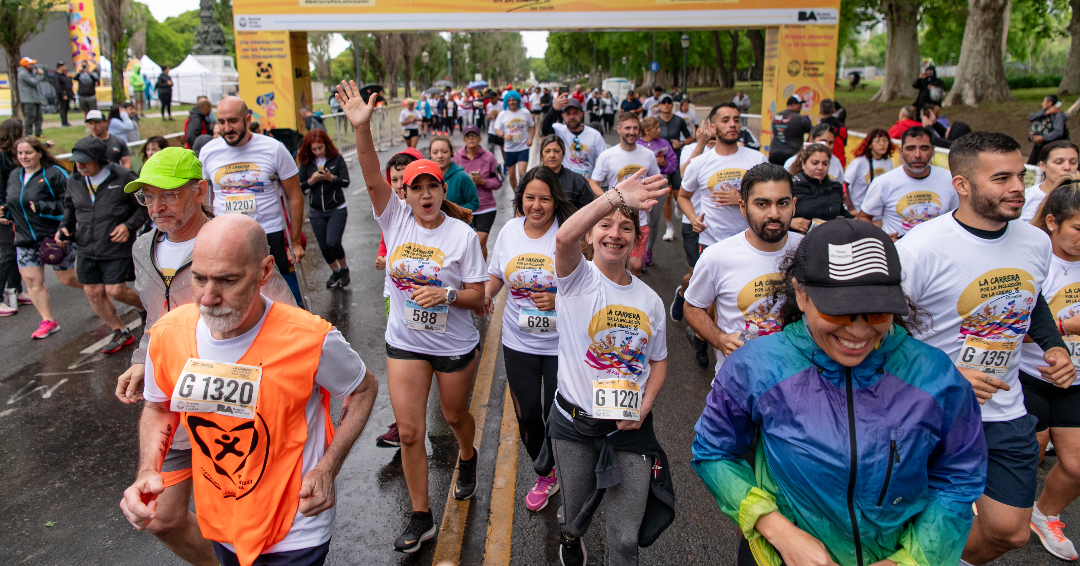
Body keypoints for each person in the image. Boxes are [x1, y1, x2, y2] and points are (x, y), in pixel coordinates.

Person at [694, 217, 987, 566]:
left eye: (877, 312)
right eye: (840, 311)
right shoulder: (754, 366)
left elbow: (959, 474)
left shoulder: (935, 375)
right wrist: (776, 530)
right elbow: (714, 451)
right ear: (801, 294)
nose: (859, 331)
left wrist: (912, 560)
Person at [119, 214, 378, 566]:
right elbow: (160, 405)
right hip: (223, 522)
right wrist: (149, 470)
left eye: (227, 280)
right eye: (198, 278)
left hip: (295, 526)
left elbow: (363, 389)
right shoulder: (167, 334)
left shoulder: (310, 338)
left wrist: (327, 468)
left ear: (265, 272)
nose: (208, 297)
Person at [897, 132, 1075, 566]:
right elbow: (879, 332)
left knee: (1009, 532)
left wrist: (1055, 347)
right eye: (1001, 178)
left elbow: (1030, 303)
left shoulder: (1034, 243)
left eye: (1020, 175)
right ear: (962, 184)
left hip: (1005, 407)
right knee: (915, 521)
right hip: (931, 407)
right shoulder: (919, 249)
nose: (1017, 187)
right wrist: (943, 374)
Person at [114, 146, 297, 566]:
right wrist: (142, 359)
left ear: (200, 191)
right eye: (147, 196)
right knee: (162, 517)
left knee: (245, 515)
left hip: (237, 396)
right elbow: (153, 315)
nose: (156, 207)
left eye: (169, 195)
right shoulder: (144, 247)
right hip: (174, 395)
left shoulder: (233, 240)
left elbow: (288, 318)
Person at [339, 79, 486, 554]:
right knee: (408, 431)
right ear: (404, 192)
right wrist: (361, 127)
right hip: (406, 341)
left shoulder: (462, 236)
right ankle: (420, 514)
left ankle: (468, 455)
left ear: (443, 190)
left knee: (455, 415)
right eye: (415, 187)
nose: (424, 195)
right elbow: (368, 172)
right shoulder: (395, 218)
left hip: (454, 345)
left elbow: (479, 296)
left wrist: (445, 296)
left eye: (432, 187)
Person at [539, 166, 673, 566]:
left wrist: (645, 407)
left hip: (630, 430)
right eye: (605, 225)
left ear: (637, 238)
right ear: (590, 234)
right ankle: (570, 537)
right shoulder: (577, 280)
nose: (615, 233)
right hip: (574, 426)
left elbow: (659, 361)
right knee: (574, 517)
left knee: (625, 540)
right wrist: (616, 197)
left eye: (625, 228)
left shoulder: (650, 300)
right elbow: (563, 236)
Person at [482, 166, 577, 513]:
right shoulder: (509, 230)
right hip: (518, 342)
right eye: (530, 198)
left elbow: (589, 288)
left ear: (555, 201)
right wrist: (487, 296)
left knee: (560, 415)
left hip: (561, 344)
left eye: (545, 199)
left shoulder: (567, 235)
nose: (536, 206)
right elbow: (495, 274)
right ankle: (545, 474)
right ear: (521, 198)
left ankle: (571, 473)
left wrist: (558, 299)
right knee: (528, 417)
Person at [684, 163, 802, 375]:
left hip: (796, 379)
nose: (774, 214)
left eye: (782, 203)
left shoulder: (808, 250)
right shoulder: (716, 257)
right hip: (737, 382)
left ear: (793, 205)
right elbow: (693, 308)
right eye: (762, 204)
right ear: (743, 207)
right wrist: (719, 339)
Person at [1021, 175, 1080, 560]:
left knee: (1076, 466)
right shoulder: (1034, 262)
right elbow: (1009, 327)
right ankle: (998, 508)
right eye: (1079, 227)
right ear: (1053, 222)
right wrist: (1065, 328)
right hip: (1026, 375)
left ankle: (1045, 514)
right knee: (1030, 455)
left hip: (1074, 381)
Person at [200, 96, 306, 307]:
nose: (227, 128)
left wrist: (294, 242)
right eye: (221, 122)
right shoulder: (208, 152)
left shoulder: (274, 149)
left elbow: (294, 195)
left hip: (269, 233)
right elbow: (204, 197)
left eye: (233, 121)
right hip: (226, 235)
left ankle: (299, 329)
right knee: (234, 292)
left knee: (284, 294)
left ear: (247, 120)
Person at [60, 137, 145, 353]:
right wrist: (64, 227)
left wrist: (127, 226)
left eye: (84, 161)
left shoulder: (123, 176)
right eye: (76, 161)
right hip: (86, 245)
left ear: (98, 158)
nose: (79, 166)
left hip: (115, 245)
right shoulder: (74, 180)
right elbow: (69, 208)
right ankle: (120, 331)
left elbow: (144, 206)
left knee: (116, 291)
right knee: (93, 291)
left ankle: (148, 310)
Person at [1, 137, 80, 339]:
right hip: (25, 238)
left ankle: (97, 290)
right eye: (20, 153)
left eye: (28, 152)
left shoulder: (55, 174)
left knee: (67, 278)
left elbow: (71, 204)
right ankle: (48, 321)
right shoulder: (14, 175)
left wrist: (44, 208)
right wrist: (6, 213)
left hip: (53, 237)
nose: (24, 157)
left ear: (39, 153)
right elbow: (14, 202)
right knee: (31, 280)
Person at [589, 112, 660, 276]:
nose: (632, 132)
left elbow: (656, 181)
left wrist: (650, 197)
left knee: (635, 266)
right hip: (613, 220)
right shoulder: (607, 156)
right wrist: (611, 201)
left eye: (636, 128)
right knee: (612, 265)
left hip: (639, 220)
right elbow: (593, 183)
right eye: (628, 128)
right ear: (619, 129)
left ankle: (632, 299)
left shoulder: (648, 154)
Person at [857, 127, 956, 240]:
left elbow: (958, 217)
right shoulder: (883, 183)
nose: (917, 155)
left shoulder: (949, 179)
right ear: (901, 152)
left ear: (933, 151)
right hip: (898, 253)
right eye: (910, 148)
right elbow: (863, 217)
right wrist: (881, 239)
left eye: (924, 148)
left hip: (938, 250)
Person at [297, 129, 351, 289]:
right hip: (316, 211)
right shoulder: (307, 162)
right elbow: (300, 186)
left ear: (326, 145)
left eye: (320, 148)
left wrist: (331, 178)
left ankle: (344, 268)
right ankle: (335, 272)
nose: (318, 151)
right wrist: (311, 180)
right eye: (314, 149)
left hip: (337, 208)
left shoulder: (336, 158)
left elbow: (346, 181)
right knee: (323, 246)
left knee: (333, 242)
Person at [454, 125, 501, 258]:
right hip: (464, 206)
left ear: (480, 138)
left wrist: (482, 181)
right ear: (464, 139)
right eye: (468, 135)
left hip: (486, 206)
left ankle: (482, 274)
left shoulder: (490, 157)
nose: (471, 138)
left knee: (481, 241)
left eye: (474, 135)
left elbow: (498, 182)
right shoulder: (456, 158)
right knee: (466, 245)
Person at [637, 116, 677, 267]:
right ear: (647, 131)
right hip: (640, 190)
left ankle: (648, 250)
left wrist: (664, 163)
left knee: (653, 222)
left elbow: (673, 164)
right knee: (636, 223)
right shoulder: (637, 144)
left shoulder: (664, 144)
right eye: (656, 128)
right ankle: (635, 252)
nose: (660, 130)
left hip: (658, 190)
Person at [0, 120, 30, 317]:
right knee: (6, 253)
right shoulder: (2, 158)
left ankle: (15, 289)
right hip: (3, 211)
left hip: (12, 210)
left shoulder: (11, 156)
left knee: (14, 250)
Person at [787, 143, 851, 233]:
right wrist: (789, 222)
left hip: (830, 239)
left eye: (825, 164)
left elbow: (842, 213)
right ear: (803, 163)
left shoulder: (835, 187)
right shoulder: (790, 186)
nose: (820, 168)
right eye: (815, 163)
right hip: (798, 240)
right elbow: (772, 214)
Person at [543, 94, 607, 179]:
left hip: (586, 183)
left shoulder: (595, 135)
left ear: (582, 114)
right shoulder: (559, 130)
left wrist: (595, 180)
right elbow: (545, 129)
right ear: (563, 116)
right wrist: (553, 109)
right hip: (563, 182)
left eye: (575, 113)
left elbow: (605, 160)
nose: (572, 117)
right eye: (568, 114)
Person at [1021, 141, 1079, 222]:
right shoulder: (1025, 197)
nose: (1067, 167)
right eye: (1059, 162)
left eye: (1073, 162)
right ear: (1043, 166)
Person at [843, 128, 895, 213]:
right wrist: (851, 208)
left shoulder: (889, 162)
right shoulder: (859, 162)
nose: (882, 144)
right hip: (858, 209)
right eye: (877, 141)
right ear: (870, 145)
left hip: (877, 210)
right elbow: (846, 185)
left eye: (885, 141)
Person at [538, 134, 597, 210]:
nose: (552, 155)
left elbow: (589, 210)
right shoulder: (530, 179)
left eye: (556, 151)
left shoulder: (577, 181)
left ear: (563, 154)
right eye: (547, 151)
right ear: (542, 155)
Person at [494, 90, 536, 192]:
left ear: (518, 100)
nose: (512, 102)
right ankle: (516, 194)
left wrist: (530, 138)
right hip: (509, 149)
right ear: (506, 102)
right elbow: (496, 129)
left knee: (522, 173)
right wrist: (504, 135)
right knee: (512, 175)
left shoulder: (525, 112)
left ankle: (522, 193)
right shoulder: (503, 114)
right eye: (509, 100)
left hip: (523, 148)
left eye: (514, 100)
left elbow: (532, 126)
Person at [429, 135, 480, 214]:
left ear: (452, 152)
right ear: (430, 154)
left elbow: (474, 203)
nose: (440, 156)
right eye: (435, 152)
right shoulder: (425, 177)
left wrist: (453, 212)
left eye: (444, 152)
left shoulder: (462, 177)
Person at [768, 95, 812, 165]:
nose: (801, 108)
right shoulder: (799, 118)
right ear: (794, 105)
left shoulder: (777, 116)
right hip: (792, 154)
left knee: (774, 175)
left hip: (774, 153)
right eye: (800, 105)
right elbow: (813, 132)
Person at [1028, 94, 1069, 166]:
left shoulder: (1058, 116)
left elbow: (1058, 132)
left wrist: (1043, 138)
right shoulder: (1044, 112)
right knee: (1031, 163)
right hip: (1041, 144)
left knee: (1049, 164)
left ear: (1050, 103)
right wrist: (1046, 112)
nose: (1042, 104)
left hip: (1054, 145)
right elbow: (1031, 117)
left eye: (1044, 102)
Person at [16, 58, 45, 138]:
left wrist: (39, 98)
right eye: (31, 64)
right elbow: (34, 82)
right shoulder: (22, 74)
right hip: (28, 99)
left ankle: (38, 133)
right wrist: (40, 75)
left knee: (39, 117)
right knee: (30, 117)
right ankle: (27, 134)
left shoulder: (31, 73)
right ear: (25, 65)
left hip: (35, 98)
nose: (33, 66)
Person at [818, 98, 848, 168]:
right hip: (840, 163)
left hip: (821, 164)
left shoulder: (817, 129)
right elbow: (844, 143)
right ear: (834, 110)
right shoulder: (842, 128)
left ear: (819, 111)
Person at [51, 62, 73, 127]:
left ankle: (66, 121)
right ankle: (64, 122)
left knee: (66, 108)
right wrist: (63, 94)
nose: (65, 67)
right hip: (62, 96)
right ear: (59, 67)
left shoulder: (64, 75)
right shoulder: (57, 76)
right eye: (63, 66)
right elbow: (57, 86)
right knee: (62, 108)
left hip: (68, 94)